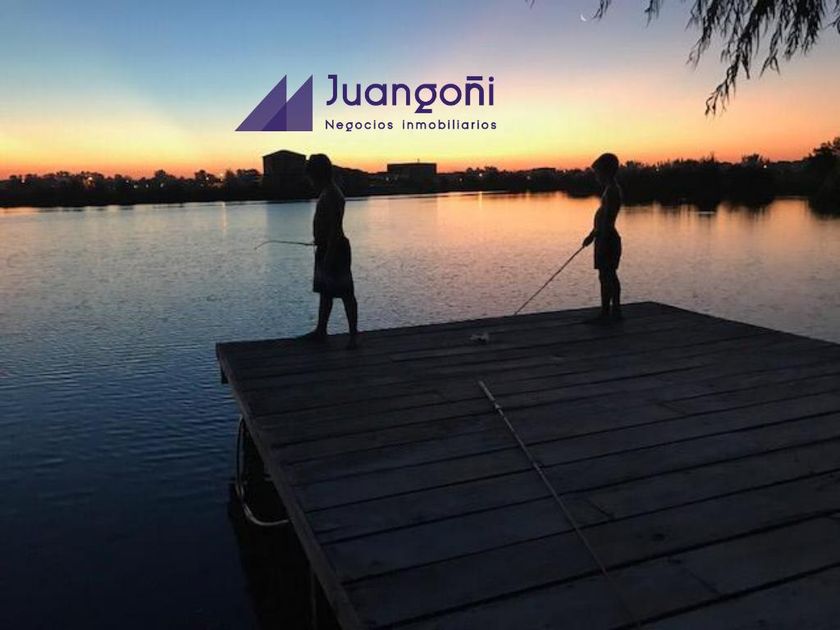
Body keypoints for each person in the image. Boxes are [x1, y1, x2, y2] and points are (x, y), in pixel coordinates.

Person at [300, 154, 359, 348]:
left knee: (346, 293)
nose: (310, 181)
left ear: (318, 174)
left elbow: (335, 227)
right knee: (325, 291)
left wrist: (329, 254)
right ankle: (321, 330)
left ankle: (353, 336)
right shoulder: (328, 192)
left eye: (311, 176)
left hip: (335, 249)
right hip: (326, 247)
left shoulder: (332, 195)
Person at [582, 152, 623, 323]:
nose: (596, 177)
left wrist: (600, 237)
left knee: (608, 276)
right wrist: (592, 235)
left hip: (607, 239)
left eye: (597, 173)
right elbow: (602, 220)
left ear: (605, 172)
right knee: (606, 275)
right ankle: (611, 311)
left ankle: (609, 312)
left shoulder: (612, 191)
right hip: (604, 237)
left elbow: (606, 220)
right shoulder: (610, 190)